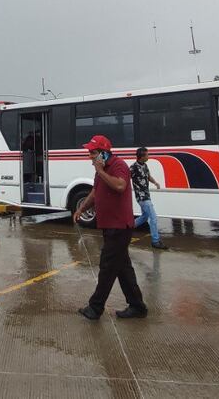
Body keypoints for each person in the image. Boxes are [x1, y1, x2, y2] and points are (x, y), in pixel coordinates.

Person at [74, 135, 148, 320]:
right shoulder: (102, 170)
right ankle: (137, 306)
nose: (90, 156)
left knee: (107, 267)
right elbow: (94, 192)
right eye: (89, 153)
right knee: (123, 268)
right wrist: (81, 209)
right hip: (109, 226)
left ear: (104, 153)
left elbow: (121, 186)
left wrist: (101, 171)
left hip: (119, 227)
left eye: (93, 153)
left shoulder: (118, 166)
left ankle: (95, 308)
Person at [131, 147, 168, 250]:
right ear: (142, 156)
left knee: (144, 216)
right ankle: (155, 241)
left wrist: (155, 182)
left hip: (146, 195)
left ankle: (126, 229)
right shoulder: (133, 167)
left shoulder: (145, 165)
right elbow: (126, 177)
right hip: (142, 197)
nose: (148, 156)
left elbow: (148, 176)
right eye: (147, 155)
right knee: (153, 218)